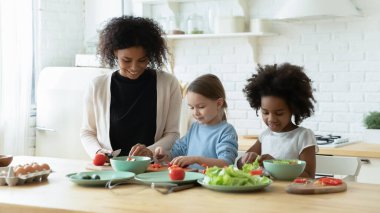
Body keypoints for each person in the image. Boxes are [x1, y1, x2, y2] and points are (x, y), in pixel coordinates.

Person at [80, 16, 182, 159]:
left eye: (142, 60)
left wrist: (149, 151)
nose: (134, 68)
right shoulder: (97, 86)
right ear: (115, 52)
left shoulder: (168, 84)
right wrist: (97, 152)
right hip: (109, 168)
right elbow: (87, 132)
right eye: (126, 60)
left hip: (151, 168)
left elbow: (172, 134)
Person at [237, 63, 317, 178]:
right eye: (265, 112)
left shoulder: (303, 136)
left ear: (293, 109)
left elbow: (309, 175)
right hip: (266, 194)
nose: (271, 119)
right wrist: (247, 158)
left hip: (291, 194)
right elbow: (240, 165)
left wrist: (276, 165)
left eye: (279, 113)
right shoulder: (265, 136)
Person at [154, 74, 238, 170]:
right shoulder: (194, 127)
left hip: (210, 184)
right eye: (191, 107)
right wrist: (164, 155)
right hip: (190, 181)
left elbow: (226, 164)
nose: (195, 112)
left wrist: (196, 159)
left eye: (201, 107)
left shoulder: (226, 131)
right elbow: (176, 153)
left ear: (218, 104)